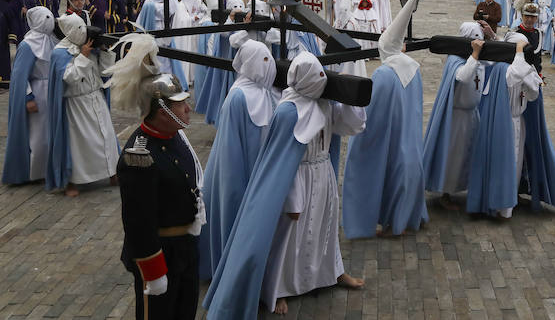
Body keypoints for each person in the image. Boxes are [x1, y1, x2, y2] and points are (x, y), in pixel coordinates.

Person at [203, 52, 366, 319]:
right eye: (319, 76)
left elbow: (351, 126)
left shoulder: (323, 103)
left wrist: (348, 96)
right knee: (289, 236)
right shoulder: (288, 110)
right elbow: (280, 160)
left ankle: (332, 272)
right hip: (297, 178)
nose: (323, 81)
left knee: (324, 224)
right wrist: (291, 198)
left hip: (322, 172)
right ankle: (277, 288)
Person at [105, 34, 205, 320]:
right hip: (161, 255)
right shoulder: (139, 157)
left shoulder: (175, 137)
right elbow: (139, 223)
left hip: (185, 249)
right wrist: (153, 270)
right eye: (179, 104)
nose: (187, 108)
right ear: (159, 110)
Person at [342, 0, 428, 238]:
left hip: (390, 138)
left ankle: (392, 223)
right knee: (407, 171)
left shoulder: (383, 74)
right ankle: (409, 215)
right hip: (410, 136)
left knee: (384, 172)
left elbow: (373, 114)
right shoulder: (412, 67)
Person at [199, 33, 280, 280]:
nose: (269, 67)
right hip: (240, 174)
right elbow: (230, 152)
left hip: (259, 171)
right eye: (264, 61)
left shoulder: (264, 92)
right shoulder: (238, 97)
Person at [467, 33, 555, 218]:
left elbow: (533, 95)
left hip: (517, 122)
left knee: (516, 162)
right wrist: (520, 55)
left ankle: (510, 199)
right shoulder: (501, 69)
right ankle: (501, 206)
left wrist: (528, 75)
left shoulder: (520, 69)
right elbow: (513, 76)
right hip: (502, 123)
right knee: (505, 161)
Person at [45, 14, 119, 196]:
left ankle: (113, 172)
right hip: (77, 104)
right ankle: (73, 181)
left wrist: (104, 51)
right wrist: (83, 56)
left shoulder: (89, 46)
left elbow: (105, 72)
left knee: (107, 137)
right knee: (80, 145)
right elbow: (69, 78)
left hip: (95, 97)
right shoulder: (59, 53)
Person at [422, 22, 487, 210]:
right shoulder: (456, 59)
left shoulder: (479, 58)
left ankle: (465, 187)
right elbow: (463, 76)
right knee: (453, 156)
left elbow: (497, 58)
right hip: (457, 117)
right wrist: (474, 55)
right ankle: (446, 193)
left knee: (469, 155)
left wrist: (490, 36)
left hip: (472, 114)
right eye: (475, 39)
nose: (479, 42)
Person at [2, 7, 57, 185]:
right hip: (38, 92)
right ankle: (33, 172)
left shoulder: (51, 40)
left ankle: (48, 168)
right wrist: (28, 97)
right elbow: (20, 76)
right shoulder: (27, 45)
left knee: (49, 133)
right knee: (37, 136)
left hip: (51, 91)